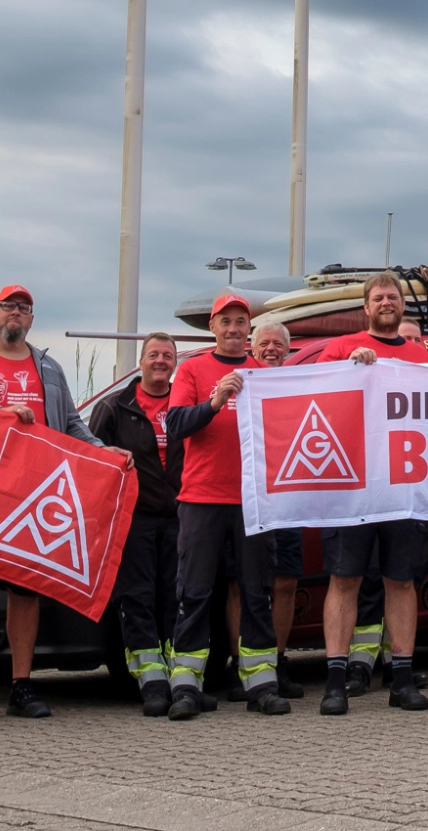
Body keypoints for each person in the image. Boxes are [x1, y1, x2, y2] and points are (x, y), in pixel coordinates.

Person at [0, 284, 124, 724]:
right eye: (9, 306)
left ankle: (22, 685)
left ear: (31, 320)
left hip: (31, 497)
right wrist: (1, 416)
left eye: (24, 308)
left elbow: (72, 423)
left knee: (26, 591)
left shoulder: (50, 368)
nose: (16, 313)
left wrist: (100, 450)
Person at [314, 273, 428, 714]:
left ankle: (401, 679)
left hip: (405, 484)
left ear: (402, 305)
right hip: (353, 485)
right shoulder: (342, 349)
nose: (386, 302)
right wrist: (348, 370)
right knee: (344, 579)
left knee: (400, 581)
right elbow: (313, 400)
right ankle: (335, 681)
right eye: (378, 297)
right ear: (365, 307)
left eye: (393, 296)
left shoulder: (421, 355)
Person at [163, 295, 288, 720]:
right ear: (213, 327)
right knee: (194, 593)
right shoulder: (194, 369)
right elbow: (176, 424)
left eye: (241, 322)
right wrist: (214, 402)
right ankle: (185, 686)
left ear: (248, 330)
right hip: (201, 498)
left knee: (256, 593)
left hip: (254, 501)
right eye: (226, 322)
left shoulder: (266, 374)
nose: (234, 329)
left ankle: (261, 685)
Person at [89, 334, 187, 716]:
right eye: (154, 355)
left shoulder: (185, 402)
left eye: (167, 355)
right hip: (134, 518)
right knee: (138, 599)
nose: (160, 361)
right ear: (141, 362)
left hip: (181, 516)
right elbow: (89, 456)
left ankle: (181, 682)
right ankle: (151, 683)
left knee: (178, 600)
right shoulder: (114, 407)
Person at [245, 320, 306, 698]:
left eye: (277, 344)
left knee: (285, 583)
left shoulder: (301, 385)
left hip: (288, 498)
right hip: (246, 498)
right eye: (264, 343)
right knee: (243, 585)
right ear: (253, 349)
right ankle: (247, 666)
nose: (271, 349)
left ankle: (278, 661)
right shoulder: (240, 380)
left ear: (288, 349)